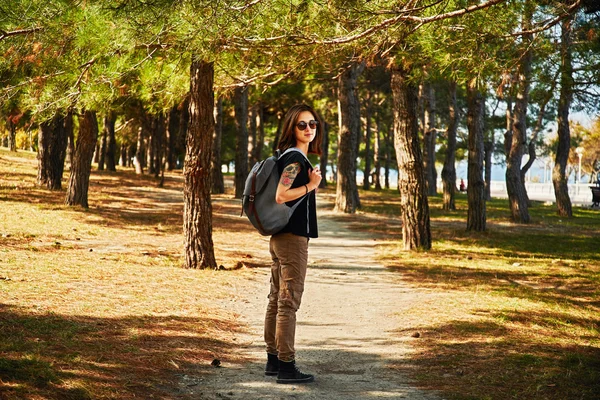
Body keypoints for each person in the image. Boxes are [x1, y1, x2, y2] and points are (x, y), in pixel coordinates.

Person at [263, 104, 323, 384]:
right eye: (302, 125)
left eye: (312, 124)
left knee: (277, 300)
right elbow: (281, 195)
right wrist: (311, 185)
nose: (309, 129)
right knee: (288, 302)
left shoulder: (294, 156)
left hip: (281, 238)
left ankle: (273, 361)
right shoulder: (295, 160)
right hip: (291, 240)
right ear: (291, 127)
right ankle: (286, 367)